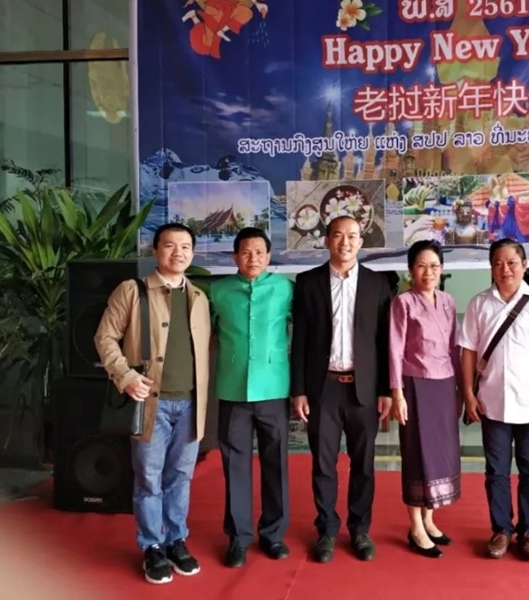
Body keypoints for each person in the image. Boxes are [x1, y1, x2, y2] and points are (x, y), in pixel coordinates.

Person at [94, 222, 212, 585]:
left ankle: (176, 540)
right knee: (148, 478)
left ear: (193, 252)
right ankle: (152, 546)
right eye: (170, 245)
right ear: (156, 250)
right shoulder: (133, 291)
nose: (179, 252)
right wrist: (125, 376)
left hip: (190, 404)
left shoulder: (199, 298)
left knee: (181, 477)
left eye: (186, 246)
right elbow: (104, 337)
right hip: (150, 405)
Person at [290, 215, 393, 563]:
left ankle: (360, 530)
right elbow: (300, 339)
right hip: (324, 388)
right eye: (338, 235)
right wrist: (299, 390)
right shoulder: (308, 282)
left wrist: (386, 390)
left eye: (352, 236)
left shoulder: (378, 284)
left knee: (364, 463)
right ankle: (327, 531)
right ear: (327, 240)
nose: (345, 242)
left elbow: (384, 342)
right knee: (323, 464)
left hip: (364, 389)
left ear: (361, 242)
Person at [459, 239, 529, 562]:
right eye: (498, 264)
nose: (505, 270)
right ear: (491, 268)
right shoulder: (479, 303)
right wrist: (468, 394)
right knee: (496, 471)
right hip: (491, 403)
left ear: (525, 265)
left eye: (512, 263)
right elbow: (468, 351)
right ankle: (501, 529)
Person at [209, 228, 293, 568]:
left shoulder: (285, 289)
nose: (253, 258)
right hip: (233, 388)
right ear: (235, 257)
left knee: (276, 463)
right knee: (235, 465)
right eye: (245, 252)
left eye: (259, 252)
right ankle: (239, 538)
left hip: (274, 387)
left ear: (269, 256)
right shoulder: (218, 291)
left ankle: (274, 534)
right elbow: (206, 335)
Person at [389, 240, 461, 559]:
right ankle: (416, 526)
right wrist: (397, 393)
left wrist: (460, 389)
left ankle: (430, 519)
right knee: (417, 453)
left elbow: (454, 346)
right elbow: (394, 349)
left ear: (441, 269)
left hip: (444, 384)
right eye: (421, 266)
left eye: (434, 266)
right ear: (410, 270)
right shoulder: (403, 302)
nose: (428, 272)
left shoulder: (447, 301)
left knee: (439, 454)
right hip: (415, 384)